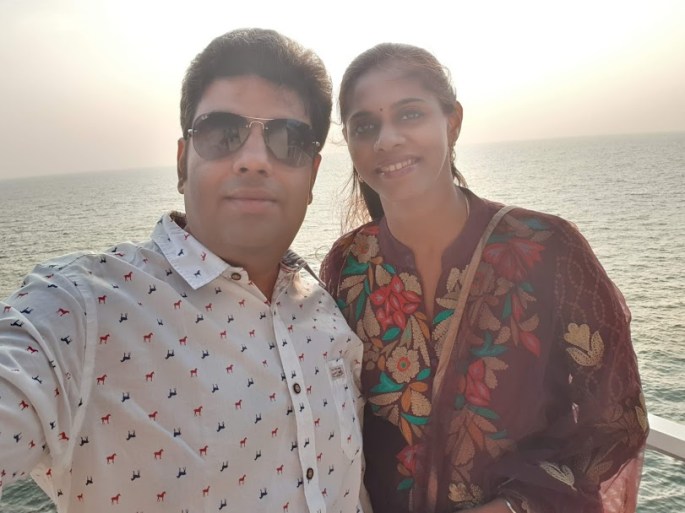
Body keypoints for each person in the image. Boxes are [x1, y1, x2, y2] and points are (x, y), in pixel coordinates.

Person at [0, 28, 368, 513]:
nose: (254, 160)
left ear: (313, 175)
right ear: (181, 163)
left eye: (288, 140)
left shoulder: (327, 309)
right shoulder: (83, 310)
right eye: (223, 133)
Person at [320, 42, 648, 513]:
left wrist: (513, 507)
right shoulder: (349, 265)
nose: (386, 140)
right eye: (365, 126)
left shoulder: (547, 247)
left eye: (409, 114)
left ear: (452, 122)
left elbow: (618, 422)